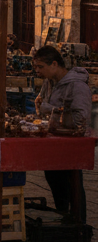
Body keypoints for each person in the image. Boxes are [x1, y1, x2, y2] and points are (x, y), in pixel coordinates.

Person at [33, 46, 91, 219]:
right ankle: (63, 216)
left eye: (40, 67)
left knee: (72, 184)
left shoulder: (77, 86)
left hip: (70, 144)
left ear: (54, 64)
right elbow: (43, 108)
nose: (38, 71)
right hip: (53, 142)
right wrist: (41, 109)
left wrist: (48, 109)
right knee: (55, 180)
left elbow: (80, 117)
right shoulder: (48, 82)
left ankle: (78, 226)